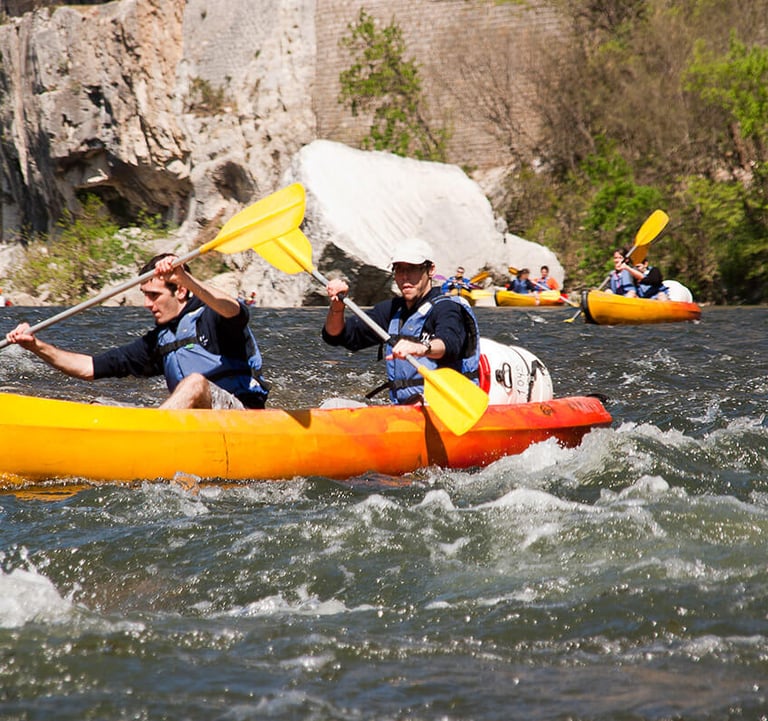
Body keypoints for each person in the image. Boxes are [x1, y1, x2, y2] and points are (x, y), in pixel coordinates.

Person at [4, 253, 270, 409]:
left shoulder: (214, 317)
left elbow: (235, 310)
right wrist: (35, 346)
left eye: (154, 295)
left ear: (180, 291)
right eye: (144, 295)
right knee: (102, 406)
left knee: (195, 383)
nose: (147, 304)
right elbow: (89, 368)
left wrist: (184, 276)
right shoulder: (159, 341)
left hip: (241, 415)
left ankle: (153, 439)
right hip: (193, 424)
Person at [322, 237, 481, 405]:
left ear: (431, 270)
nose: (405, 276)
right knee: (333, 406)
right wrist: (337, 307)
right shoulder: (391, 310)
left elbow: (450, 344)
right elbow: (338, 336)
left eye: (412, 269)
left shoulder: (447, 308)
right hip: (405, 410)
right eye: (399, 269)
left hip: (446, 405)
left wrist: (421, 348)